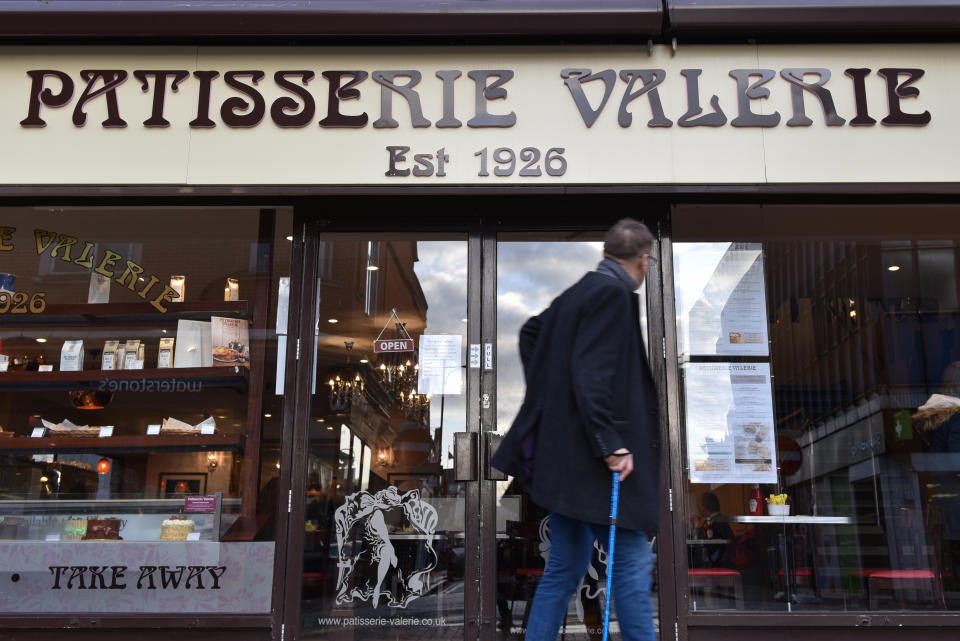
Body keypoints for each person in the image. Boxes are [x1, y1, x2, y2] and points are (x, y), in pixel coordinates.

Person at [492, 219, 660, 641]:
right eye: (650, 261)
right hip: (595, 465)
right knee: (633, 561)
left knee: (565, 567)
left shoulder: (578, 292)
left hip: (566, 465)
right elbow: (591, 375)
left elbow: (531, 333)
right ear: (644, 260)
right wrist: (612, 445)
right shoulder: (612, 294)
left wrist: (554, 402)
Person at [688, 492, 735, 568]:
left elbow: (703, 548)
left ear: (705, 507)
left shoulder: (714, 523)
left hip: (719, 567)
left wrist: (697, 526)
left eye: (698, 505)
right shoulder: (720, 520)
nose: (698, 508)